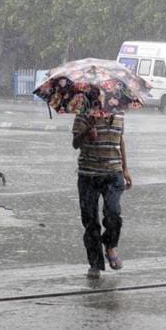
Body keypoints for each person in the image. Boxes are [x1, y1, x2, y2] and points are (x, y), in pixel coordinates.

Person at [72, 97, 132, 279]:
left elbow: (120, 141)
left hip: (113, 173)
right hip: (88, 175)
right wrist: (86, 132)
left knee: (113, 213)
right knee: (90, 221)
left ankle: (110, 245)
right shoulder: (83, 114)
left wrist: (125, 168)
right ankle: (95, 263)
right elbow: (75, 143)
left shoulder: (119, 114)